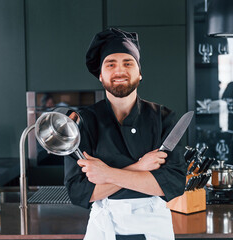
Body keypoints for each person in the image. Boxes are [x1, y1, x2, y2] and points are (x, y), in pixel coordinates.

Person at [64, 28, 186, 239]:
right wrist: (140, 168)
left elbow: (172, 184)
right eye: (111, 64)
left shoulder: (164, 118)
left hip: (154, 225)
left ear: (139, 73)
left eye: (128, 63)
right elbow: (80, 192)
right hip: (104, 225)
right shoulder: (81, 120)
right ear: (100, 76)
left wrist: (107, 174)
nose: (119, 70)